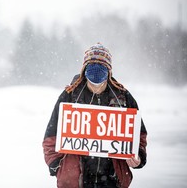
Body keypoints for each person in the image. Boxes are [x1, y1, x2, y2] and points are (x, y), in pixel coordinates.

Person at [42, 43, 147, 188]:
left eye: (101, 69)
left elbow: (139, 135)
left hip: (112, 180)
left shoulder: (122, 97)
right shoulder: (70, 95)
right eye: (91, 68)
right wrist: (56, 165)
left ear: (108, 72)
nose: (96, 77)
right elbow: (51, 136)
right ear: (84, 70)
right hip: (76, 180)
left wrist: (138, 156)